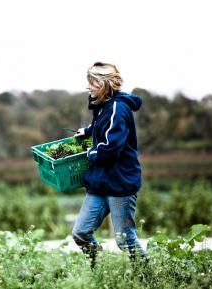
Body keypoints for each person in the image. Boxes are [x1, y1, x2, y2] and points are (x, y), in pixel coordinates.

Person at [72, 61, 148, 268]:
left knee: (125, 240)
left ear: (105, 85)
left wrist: (90, 152)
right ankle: (101, 267)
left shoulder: (118, 108)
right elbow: (102, 125)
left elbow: (109, 149)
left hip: (120, 183)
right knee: (80, 233)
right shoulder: (105, 105)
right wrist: (88, 131)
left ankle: (146, 275)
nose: (88, 87)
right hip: (101, 181)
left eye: (93, 84)